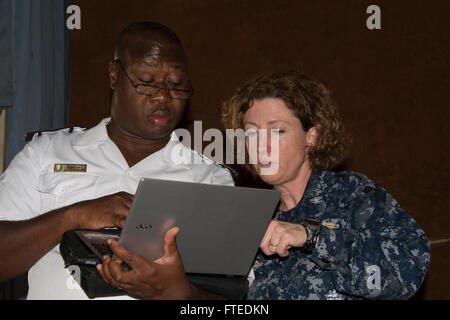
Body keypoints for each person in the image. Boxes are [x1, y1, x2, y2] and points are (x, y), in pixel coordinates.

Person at [0, 22, 234, 300]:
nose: (163, 96)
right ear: (114, 75)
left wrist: (178, 292)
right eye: (147, 81)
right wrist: (70, 217)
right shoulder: (46, 153)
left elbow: (233, 297)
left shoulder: (209, 179)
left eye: (176, 85)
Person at [220, 71, 430, 299]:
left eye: (277, 130)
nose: (262, 145)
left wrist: (313, 236)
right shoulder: (251, 220)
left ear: (310, 137)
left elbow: (409, 272)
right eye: (251, 133)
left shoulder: (351, 193)